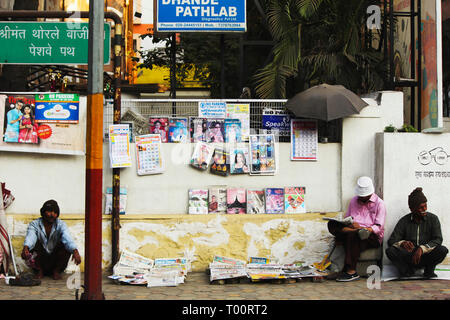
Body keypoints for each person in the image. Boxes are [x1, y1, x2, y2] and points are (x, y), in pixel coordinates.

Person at [327, 176, 386, 282]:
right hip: (354, 230)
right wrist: (351, 225)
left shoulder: (379, 204)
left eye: (363, 196)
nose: (361, 198)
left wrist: (366, 229)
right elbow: (347, 218)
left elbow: (379, 227)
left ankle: (351, 271)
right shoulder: (354, 200)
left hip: (371, 235)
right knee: (332, 224)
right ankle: (352, 232)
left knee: (353, 235)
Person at [385, 187, 448, 278]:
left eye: (425, 206)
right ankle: (407, 271)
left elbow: (438, 239)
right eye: (421, 207)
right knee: (390, 251)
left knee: (442, 250)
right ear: (412, 208)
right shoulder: (404, 221)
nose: (424, 209)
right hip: (409, 256)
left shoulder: (433, 219)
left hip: (426, 255)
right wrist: (402, 243)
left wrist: (422, 248)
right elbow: (391, 240)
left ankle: (429, 271)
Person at [21, 200, 81, 280]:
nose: (52, 214)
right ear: (43, 212)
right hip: (40, 259)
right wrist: (26, 247)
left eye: (55, 212)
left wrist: (75, 251)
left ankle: (56, 271)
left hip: (54, 259)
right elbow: (31, 237)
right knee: (32, 246)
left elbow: (67, 239)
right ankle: (39, 271)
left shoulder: (61, 224)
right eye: (49, 211)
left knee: (66, 247)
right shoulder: (34, 224)